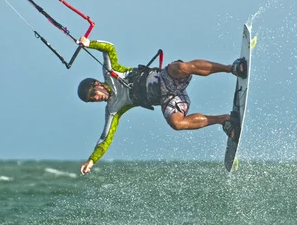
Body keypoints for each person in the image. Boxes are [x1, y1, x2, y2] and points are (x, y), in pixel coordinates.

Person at [76, 36, 247, 175]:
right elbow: (106, 138)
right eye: (92, 100)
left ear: (97, 84)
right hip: (168, 99)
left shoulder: (111, 73)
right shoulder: (114, 108)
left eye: (93, 94)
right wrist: (92, 160)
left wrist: (89, 43)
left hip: (167, 77)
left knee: (181, 67)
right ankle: (224, 120)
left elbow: (109, 48)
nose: (95, 98)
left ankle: (230, 68)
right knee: (176, 123)